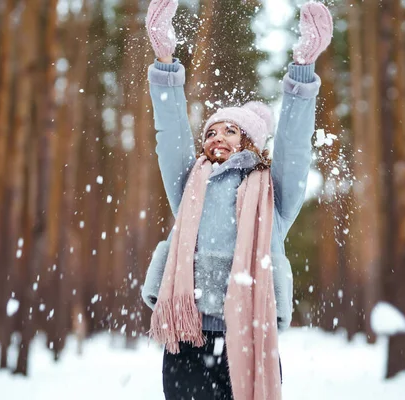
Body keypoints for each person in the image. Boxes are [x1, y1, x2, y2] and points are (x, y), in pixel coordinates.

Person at [141, 1, 333, 399]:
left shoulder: (271, 194)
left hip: (247, 335)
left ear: (249, 142)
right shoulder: (190, 186)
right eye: (211, 132)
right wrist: (164, 61)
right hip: (187, 339)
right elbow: (170, 135)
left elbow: (295, 149)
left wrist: (303, 69)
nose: (216, 138)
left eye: (230, 131)